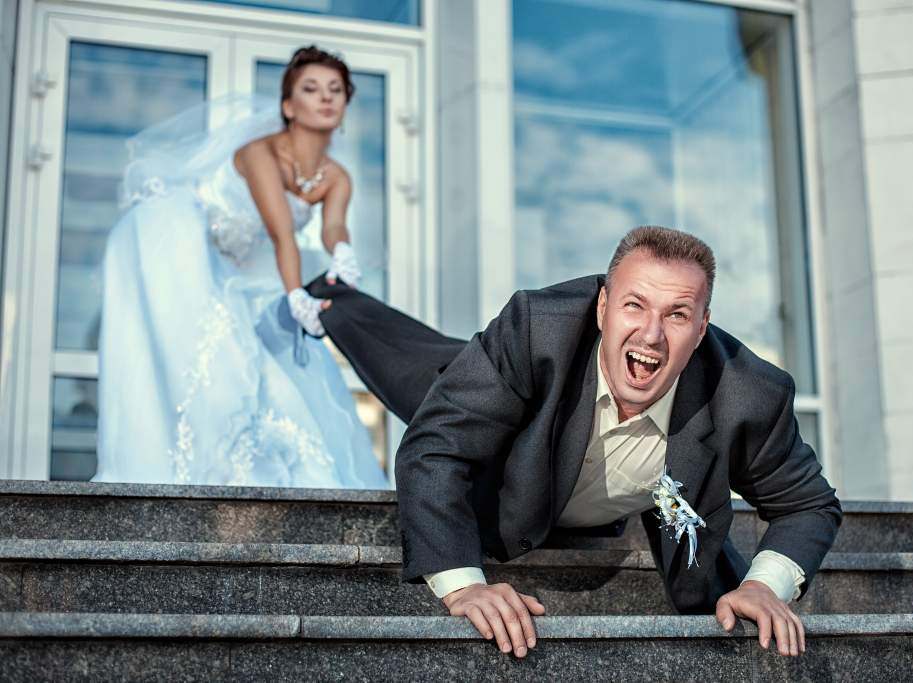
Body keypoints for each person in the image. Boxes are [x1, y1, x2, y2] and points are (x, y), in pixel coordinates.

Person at [307, 226, 842, 657]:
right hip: (506, 430)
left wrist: (765, 585)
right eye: (635, 305)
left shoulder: (749, 395)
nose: (652, 333)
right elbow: (434, 451)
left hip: (587, 491)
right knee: (404, 357)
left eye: (677, 314)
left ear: (702, 330)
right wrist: (464, 585)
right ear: (603, 307)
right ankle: (335, 301)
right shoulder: (536, 329)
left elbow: (809, 505)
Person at [95, 46, 388, 489]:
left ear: (345, 104)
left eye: (336, 90)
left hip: (238, 266)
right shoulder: (260, 154)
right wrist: (295, 294)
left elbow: (332, 227)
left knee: (278, 367)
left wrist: (342, 251)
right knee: (216, 355)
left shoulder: (336, 176)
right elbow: (281, 234)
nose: (326, 97)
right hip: (175, 241)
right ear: (289, 106)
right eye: (311, 88)